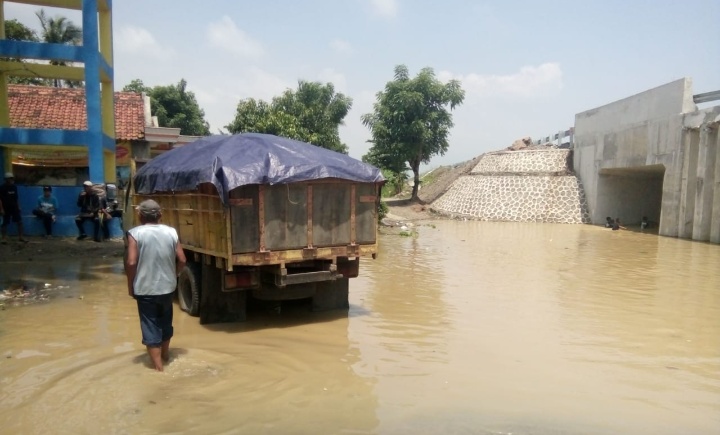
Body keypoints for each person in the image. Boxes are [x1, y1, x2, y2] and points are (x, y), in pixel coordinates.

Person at [124, 199, 186, 372]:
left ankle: (159, 370)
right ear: (160, 215)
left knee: (150, 326)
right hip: (168, 288)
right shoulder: (171, 232)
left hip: (145, 290)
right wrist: (174, 275)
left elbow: (131, 262)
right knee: (166, 322)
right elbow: (182, 260)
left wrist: (131, 285)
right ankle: (165, 357)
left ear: (140, 215)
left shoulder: (135, 233)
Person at [0, 172, 28, 244]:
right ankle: (3, 238)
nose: (11, 180)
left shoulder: (14, 187)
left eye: (12, 178)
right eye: (10, 178)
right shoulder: (2, 188)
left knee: (19, 222)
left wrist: (18, 206)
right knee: (5, 223)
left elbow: (16, 198)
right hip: (6, 208)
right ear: (6, 179)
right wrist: (1, 209)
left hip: (14, 207)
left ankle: (21, 237)